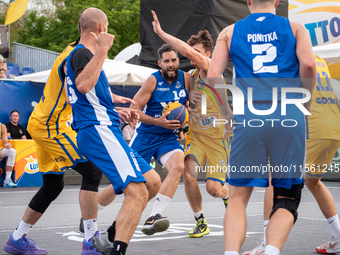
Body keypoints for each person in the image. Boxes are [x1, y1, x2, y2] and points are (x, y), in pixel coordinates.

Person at [207, 0, 316, 254]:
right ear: (276, 1)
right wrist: (305, 105)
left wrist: (226, 111)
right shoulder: (295, 27)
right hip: (288, 115)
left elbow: (213, 75)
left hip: (249, 117)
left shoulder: (229, 32)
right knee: (287, 198)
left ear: (248, 2)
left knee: (237, 198)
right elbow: (309, 66)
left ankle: (231, 252)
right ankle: (271, 250)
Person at [65, 8, 155, 255]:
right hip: (98, 131)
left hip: (103, 127)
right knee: (137, 192)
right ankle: (116, 249)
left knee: (153, 181)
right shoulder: (84, 54)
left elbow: (85, 98)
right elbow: (83, 86)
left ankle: (111, 235)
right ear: (101, 29)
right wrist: (103, 49)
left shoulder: (85, 57)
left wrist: (117, 110)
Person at [242, 55, 340, 255]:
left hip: (311, 127)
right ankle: (338, 235)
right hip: (333, 126)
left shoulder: (291, 57)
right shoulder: (319, 59)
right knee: (313, 181)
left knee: (274, 180)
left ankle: (266, 243)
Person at [151, 10, 230, 238]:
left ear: (206, 54)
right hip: (195, 137)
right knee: (188, 175)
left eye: (195, 52)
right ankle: (200, 221)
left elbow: (184, 51)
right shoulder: (190, 76)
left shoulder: (212, 68)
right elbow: (183, 102)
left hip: (216, 139)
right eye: (191, 52)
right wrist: (185, 109)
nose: (190, 56)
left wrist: (161, 33)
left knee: (213, 188)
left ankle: (227, 195)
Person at [127, 43, 191, 235]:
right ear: (159, 63)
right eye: (166, 61)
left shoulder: (186, 79)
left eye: (173, 60)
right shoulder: (152, 81)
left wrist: (188, 116)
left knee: (178, 166)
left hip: (168, 138)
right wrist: (159, 121)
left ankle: (153, 216)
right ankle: (93, 211)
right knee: (124, 181)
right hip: (145, 135)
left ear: (178, 61)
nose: (170, 64)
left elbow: (195, 104)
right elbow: (134, 109)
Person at [0, 122, 17, 188]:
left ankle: (7, 180)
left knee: (12, 151)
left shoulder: (2, 126)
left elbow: (5, 142)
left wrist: (7, 145)